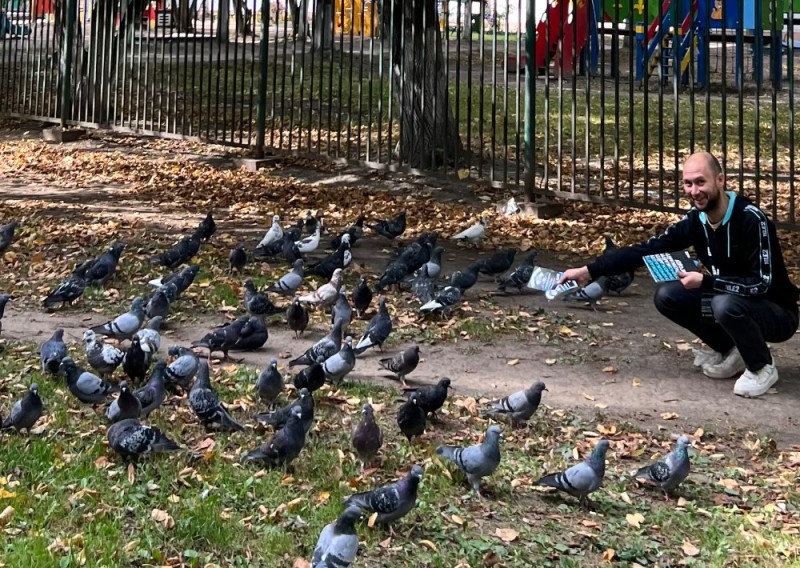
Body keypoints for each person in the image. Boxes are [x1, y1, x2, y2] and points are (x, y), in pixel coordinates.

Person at [558, 152, 799, 398]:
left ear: (720, 180)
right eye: (688, 183)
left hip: (776, 312)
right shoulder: (696, 220)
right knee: (668, 296)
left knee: (724, 302)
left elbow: (762, 284)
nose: (694, 191)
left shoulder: (752, 220)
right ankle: (732, 349)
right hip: (730, 300)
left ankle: (761, 367)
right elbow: (646, 250)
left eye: (701, 182)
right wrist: (589, 271)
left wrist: (706, 281)